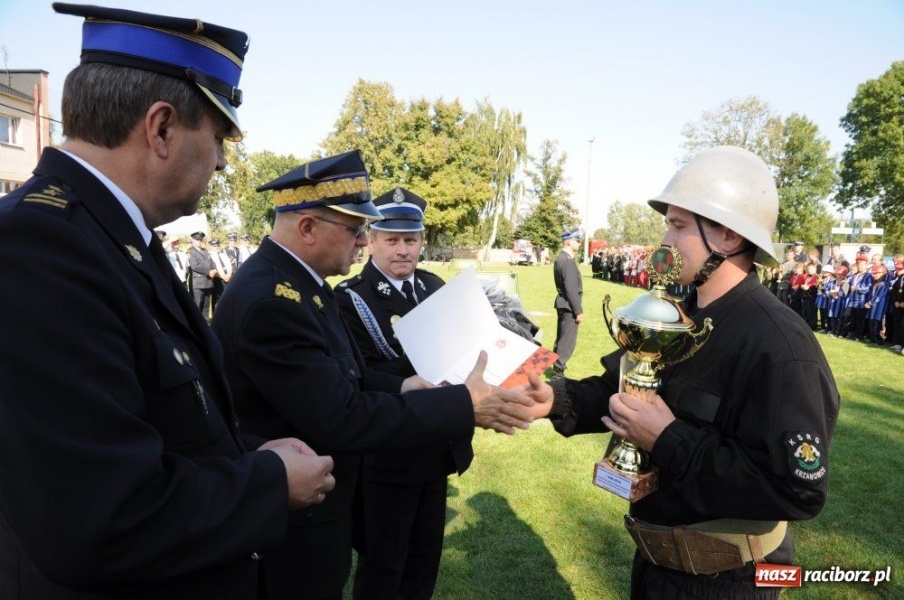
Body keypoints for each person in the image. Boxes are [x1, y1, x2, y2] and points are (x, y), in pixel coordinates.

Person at [0, 5, 336, 599]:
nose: (223, 160)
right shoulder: (39, 247)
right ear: (160, 128)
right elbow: (97, 517)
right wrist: (267, 482)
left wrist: (250, 453)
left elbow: (156, 427)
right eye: (219, 136)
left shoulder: (109, 236)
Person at [211, 151, 536, 600]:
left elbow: (348, 375)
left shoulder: (300, 285)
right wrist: (465, 404)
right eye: (355, 230)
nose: (364, 242)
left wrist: (404, 385)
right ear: (307, 228)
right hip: (296, 515)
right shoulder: (275, 299)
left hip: (318, 500)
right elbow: (340, 415)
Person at [522, 146, 840, 599]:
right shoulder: (677, 315)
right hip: (656, 566)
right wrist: (555, 398)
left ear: (727, 236)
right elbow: (618, 388)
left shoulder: (779, 344)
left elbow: (796, 491)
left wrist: (668, 440)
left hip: (727, 583)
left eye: (677, 225)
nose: (665, 241)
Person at [334, 186, 473, 600]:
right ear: (371, 240)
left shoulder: (435, 286)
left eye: (410, 240)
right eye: (391, 240)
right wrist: (401, 383)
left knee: (424, 558)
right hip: (389, 452)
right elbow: (353, 375)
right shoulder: (351, 299)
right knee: (384, 563)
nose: (402, 250)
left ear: (422, 241)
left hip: (436, 445)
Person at [552, 229, 584, 377]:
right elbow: (571, 289)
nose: (579, 243)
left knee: (561, 338)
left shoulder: (560, 258)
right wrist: (578, 311)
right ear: (569, 241)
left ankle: (556, 368)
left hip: (563, 303)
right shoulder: (568, 261)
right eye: (577, 240)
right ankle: (558, 374)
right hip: (569, 305)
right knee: (567, 341)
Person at [188, 230, 218, 318]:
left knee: (206, 307)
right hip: (198, 283)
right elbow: (195, 266)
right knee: (197, 306)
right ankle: (197, 326)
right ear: (192, 240)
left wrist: (214, 270)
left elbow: (212, 262)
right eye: (197, 240)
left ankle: (205, 324)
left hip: (208, 282)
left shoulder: (205, 251)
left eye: (201, 240)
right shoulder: (190, 251)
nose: (199, 242)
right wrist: (209, 272)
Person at [888, 256, 904, 353]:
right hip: (898, 306)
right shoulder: (900, 278)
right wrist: (896, 301)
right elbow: (893, 291)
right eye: (897, 268)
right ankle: (897, 343)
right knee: (897, 324)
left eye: (900, 268)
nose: (898, 270)